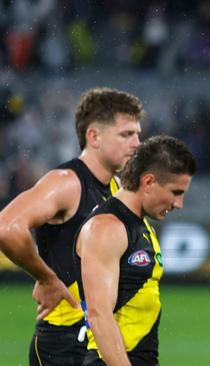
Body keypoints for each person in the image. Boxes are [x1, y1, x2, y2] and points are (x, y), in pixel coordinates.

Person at [0, 88, 143, 365]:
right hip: (63, 346)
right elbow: (6, 227)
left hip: (98, 342)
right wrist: (46, 278)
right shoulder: (67, 182)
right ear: (94, 136)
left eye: (138, 134)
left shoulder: (116, 189)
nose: (137, 143)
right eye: (126, 134)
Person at [73, 135, 196, 366]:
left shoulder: (141, 225)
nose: (179, 204)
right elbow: (100, 316)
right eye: (176, 192)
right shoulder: (106, 228)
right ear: (148, 182)